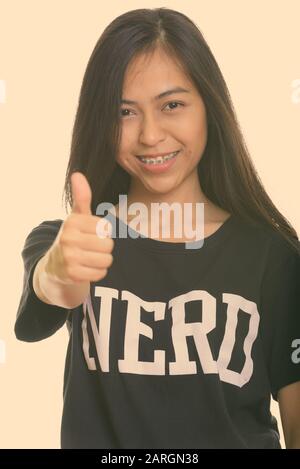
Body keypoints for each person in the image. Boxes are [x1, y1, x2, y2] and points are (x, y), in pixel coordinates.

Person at [15, 7, 300, 449]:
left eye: (172, 105)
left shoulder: (273, 254)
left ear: (211, 107)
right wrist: (57, 273)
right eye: (125, 112)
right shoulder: (72, 241)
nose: (150, 134)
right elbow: (46, 298)